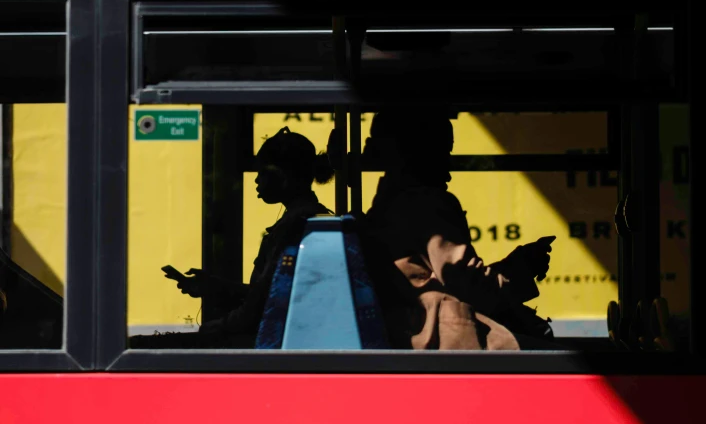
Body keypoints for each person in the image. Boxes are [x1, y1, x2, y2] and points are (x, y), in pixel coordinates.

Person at [361, 109, 558, 350]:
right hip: (440, 341)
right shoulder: (425, 202)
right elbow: (471, 287)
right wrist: (523, 267)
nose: (448, 165)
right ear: (418, 152)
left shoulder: (388, 205)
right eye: (442, 152)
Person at [130, 127, 333, 349]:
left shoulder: (294, 227)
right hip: (278, 338)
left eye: (262, 172)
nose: (256, 180)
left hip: (269, 343)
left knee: (139, 345)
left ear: (280, 177)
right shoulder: (308, 218)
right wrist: (216, 287)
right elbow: (267, 295)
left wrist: (218, 327)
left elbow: (258, 310)